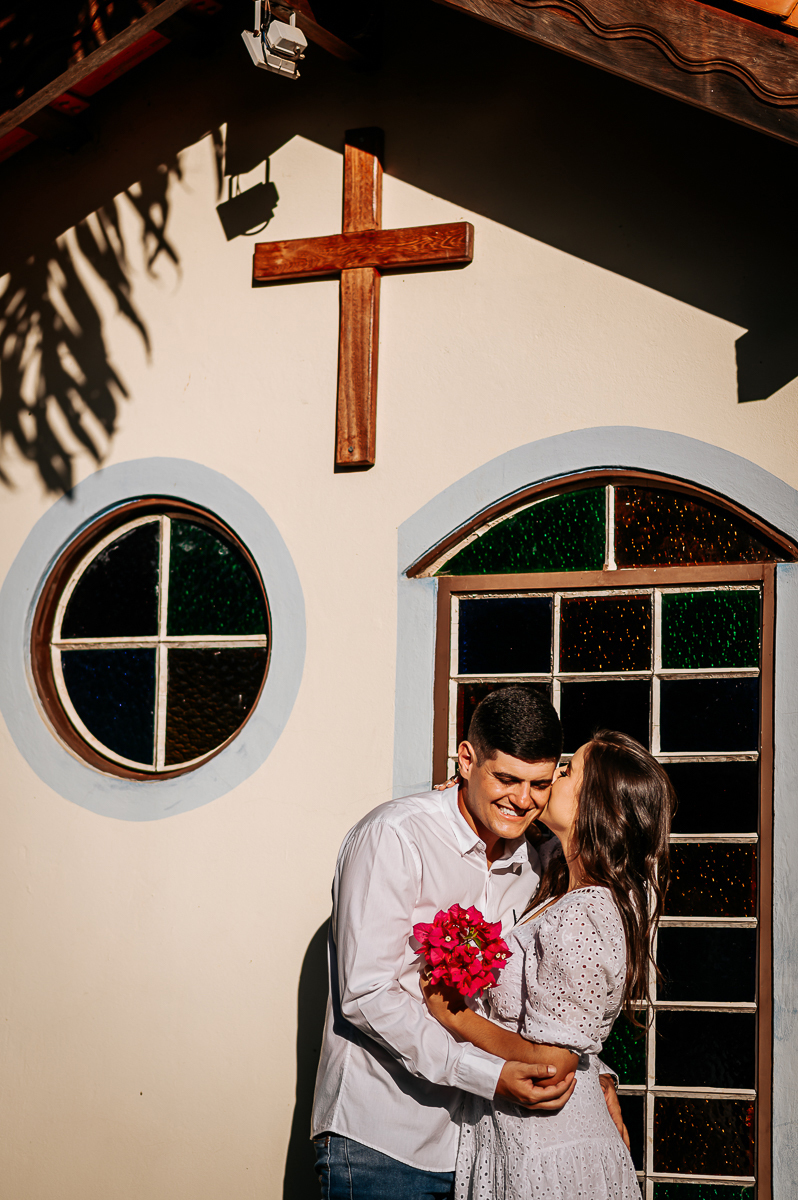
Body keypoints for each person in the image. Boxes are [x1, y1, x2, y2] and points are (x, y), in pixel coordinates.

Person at [311, 687, 625, 1199]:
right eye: (506, 778)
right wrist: (489, 1075)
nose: (522, 800)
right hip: (384, 1140)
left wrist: (594, 1071)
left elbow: (553, 986)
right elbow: (365, 994)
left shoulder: (542, 859)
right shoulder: (394, 837)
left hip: (486, 1152)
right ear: (466, 759)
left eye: (540, 784)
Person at [422, 729, 675, 1200]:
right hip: (522, 1139)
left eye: (567, 769)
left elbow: (553, 1062)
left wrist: (452, 1013)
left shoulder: (585, 911)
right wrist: (468, 795)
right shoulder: (565, 884)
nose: (551, 775)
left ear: (594, 806)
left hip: (551, 1151)